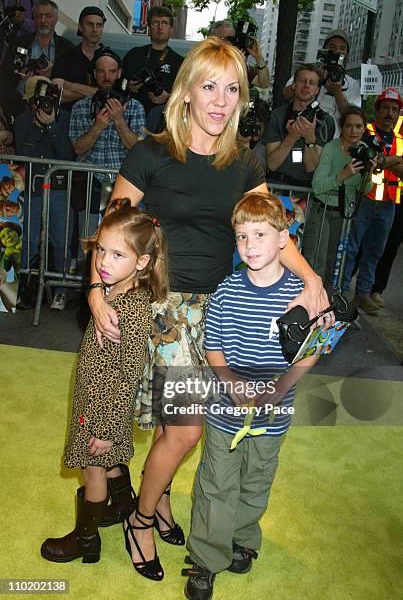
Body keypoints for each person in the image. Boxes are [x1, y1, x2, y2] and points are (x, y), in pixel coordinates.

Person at [88, 37, 330, 582]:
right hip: (165, 313)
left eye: (232, 90)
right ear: (186, 93)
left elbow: (271, 229)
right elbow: (112, 234)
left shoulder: (243, 161)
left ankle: (160, 499)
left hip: (223, 313)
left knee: (174, 428)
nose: (221, 101)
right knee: (188, 429)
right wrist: (95, 290)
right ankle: (140, 519)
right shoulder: (150, 152)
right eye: (209, 86)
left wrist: (311, 278)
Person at [183, 192, 319, 600]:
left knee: (257, 479)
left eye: (260, 235)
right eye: (242, 237)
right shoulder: (226, 292)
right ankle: (206, 558)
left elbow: (310, 351)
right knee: (216, 482)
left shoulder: (299, 296)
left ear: (283, 238)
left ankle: (244, 537)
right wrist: (230, 383)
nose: (250, 245)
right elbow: (214, 347)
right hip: (226, 411)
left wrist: (280, 388)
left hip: (274, 413)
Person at [40, 199, 169, 564]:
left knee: (91, 469)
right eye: (101, 251)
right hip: (92, 397)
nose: (103, 263)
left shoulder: (132, 308)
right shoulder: (112, 292)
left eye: (117, 255)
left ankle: (86, 540)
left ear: (142, 262)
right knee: (106, 463)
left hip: (103, 410)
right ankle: (123, 505)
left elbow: (127, 376)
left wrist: (109, 428)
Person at [69, 48, 145, 255]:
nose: (106, 77)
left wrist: (119, 120)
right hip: (88, 184)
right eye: (101, 71)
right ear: (94, 74)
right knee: (87, 241)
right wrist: (98, 126)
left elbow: (136, 148)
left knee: (121, 242)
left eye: (111, 72)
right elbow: (78, 147)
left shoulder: (135, 108)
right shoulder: (80, 108)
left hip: (123, 184)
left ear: (119, 73)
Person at [14, 75, 73, 311]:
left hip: (58, 188)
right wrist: (41, 126)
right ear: (31, 102)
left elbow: (67, 155)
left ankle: (60, 290)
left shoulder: (64, 119)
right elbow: (23, 150)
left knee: (61, 241)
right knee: (28, 240)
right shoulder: (21, 121)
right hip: (31, 188)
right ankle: (21, 289)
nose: (44, 106)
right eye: (39, 102)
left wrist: (51, 125)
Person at [342, 88, 403, 315]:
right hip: (363, 199)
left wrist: (389, 159)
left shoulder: (399, 139)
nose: (389, 113)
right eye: (385, 108)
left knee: (375, 252)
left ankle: (363, 294)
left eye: (394, 110)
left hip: (388, 204)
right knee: (352, 247)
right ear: (377, 110)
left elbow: (383, 163)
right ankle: (342, 292)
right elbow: (370, 162)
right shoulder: (365, 132)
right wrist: (394, 162)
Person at [302, 106, 373, 290]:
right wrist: (342, 175)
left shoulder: (364, 150)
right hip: (322, 210)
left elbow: (365, 189)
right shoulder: (331, 148)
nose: (353, 131)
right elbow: (317, 186)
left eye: (358, 126)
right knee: (316, 259)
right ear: (342, 128)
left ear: (364, 129)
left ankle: (328, 303)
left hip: (344, 214)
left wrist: (369, 172)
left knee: (335, 263)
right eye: (349, 126)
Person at [264, 64, 335, 188]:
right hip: (277, 187)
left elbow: (312, 167)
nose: (306, 85)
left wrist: (310, 139)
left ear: (317, 90)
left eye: (312, 83)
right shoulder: (277, 116)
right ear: (294, 85)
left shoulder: (325, 121)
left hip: (305, 191)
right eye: (302, 81)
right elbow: (272, 164)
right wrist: (291, 138)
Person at [283, 29, 361, 138]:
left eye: (342, 48)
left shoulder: (352, 84)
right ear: (325, 50)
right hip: (302, 137)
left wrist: (337, 92)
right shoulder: (309, 72)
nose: (337, 52)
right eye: (333, 47)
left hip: (334, 144)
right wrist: (315, 79)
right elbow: (286, 95)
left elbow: (353, 119)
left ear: (347, 54)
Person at [0, 0, 72, 91]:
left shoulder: (67, 48)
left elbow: (72, 79)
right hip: (19, 97)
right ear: (34, 18)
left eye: (48, 16)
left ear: (56, 19)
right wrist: (19, 76)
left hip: (52, 98)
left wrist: (53, 72)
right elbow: (4, 74)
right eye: (39, 16)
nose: (43, 20)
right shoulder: (18, 43)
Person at [123, 6, 183, 114]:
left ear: (171, 29)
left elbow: (187, 96)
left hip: (163, 120)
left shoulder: (180, 62)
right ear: (149, 27)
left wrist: (169, 98)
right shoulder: (133, 55)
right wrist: (128, 88)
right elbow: (117, 85)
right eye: (155, 23)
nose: (160, 27)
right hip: (132, 117)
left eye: (164, 23)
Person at [52, 6, 106, 111]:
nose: (95, 30)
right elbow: (56, 92)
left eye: (99, 25)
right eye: (90, 24)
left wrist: (69, 85)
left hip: (100, 118)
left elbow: (112, 95)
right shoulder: (66, 55)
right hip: (67, 116)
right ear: (80, 27)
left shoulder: (109, 58)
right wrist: (96, 92)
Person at [209, 19, 270, 90]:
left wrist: (259, 58)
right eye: (226, 38)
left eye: (233, 38)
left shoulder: (241, 65)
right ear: (212, 41)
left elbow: (264, 84)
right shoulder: (204, 63)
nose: (231, 42)